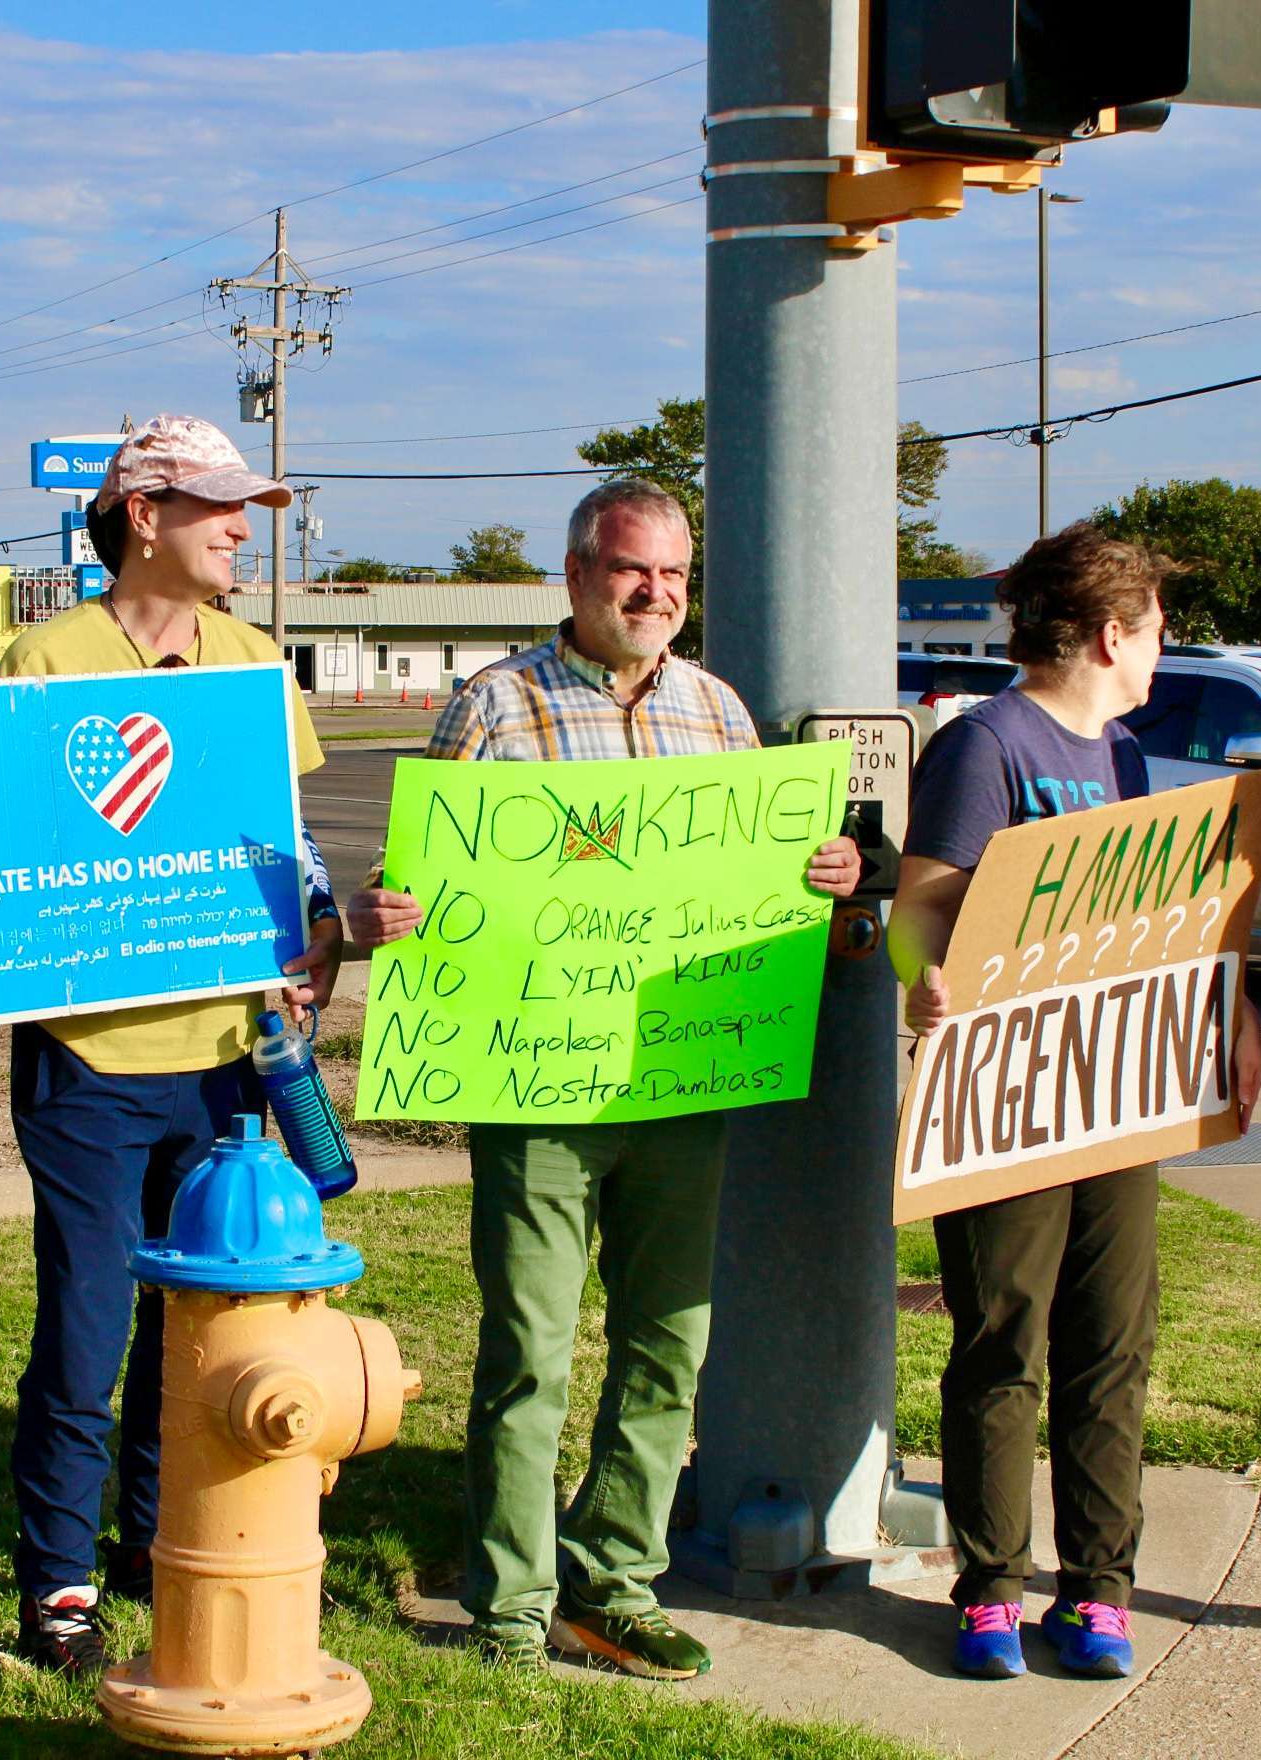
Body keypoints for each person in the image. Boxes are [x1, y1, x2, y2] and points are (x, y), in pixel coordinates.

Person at [344, 477, 861, 1679]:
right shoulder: (495, 704)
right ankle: (512, 1599)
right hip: (536, 1089)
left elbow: (769, 895)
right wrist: (388, 912)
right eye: (634, 570)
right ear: (577, 575)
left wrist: (827, 877)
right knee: (531, 1345)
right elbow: (429, 884)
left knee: (669, 1340)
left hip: (678, 1084)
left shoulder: (721, 714)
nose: (656, 593)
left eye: (676, 574)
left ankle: (616, 1574)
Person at [0, 413, 344, 1674]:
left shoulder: (254, 658)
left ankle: (157, 1540)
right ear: (142, 517)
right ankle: (58, 1589)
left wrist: (315, 925)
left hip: (222, 1057)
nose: (240, 528)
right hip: (88, 1060)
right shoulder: (48, 652)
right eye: (217, 508)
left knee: (192, 1324)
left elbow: (286, 835)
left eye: (246, 507)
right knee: (87, 1329)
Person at [888, 523, 1261, 1682]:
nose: (1164, 647)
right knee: (1004, 1340)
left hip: (1116, 1094)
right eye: (1156, 626)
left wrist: (1224, 1020)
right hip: (1004, 1095)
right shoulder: (986, 744)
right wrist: (924, 979)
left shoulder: (1128, 760)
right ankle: (992, 1586)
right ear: (1111, 631)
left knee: (1114, 1344)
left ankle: (1098, 1588)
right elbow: (918, 911)